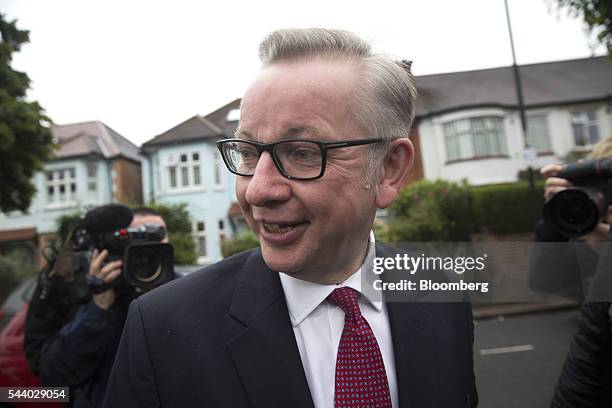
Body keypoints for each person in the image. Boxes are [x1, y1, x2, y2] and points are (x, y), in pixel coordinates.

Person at [104, 28, 477, 408]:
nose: (257, 190)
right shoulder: (161, 330)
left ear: (388, 169)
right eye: (248, 152)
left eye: (302, 152)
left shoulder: (441, 291)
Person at [24, 206, 170, 408]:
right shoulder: (75, 289)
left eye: (158, 234)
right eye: (138, 235)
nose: (151, 242)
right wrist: (98, 308)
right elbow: (53, 376)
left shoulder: (180, 288)